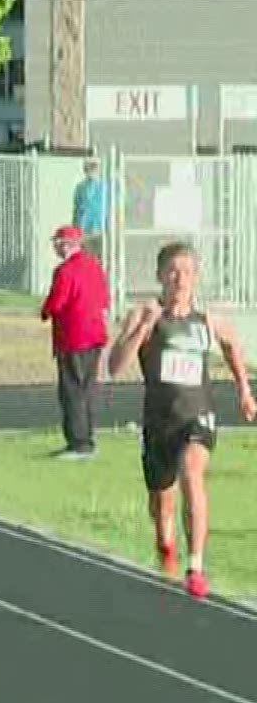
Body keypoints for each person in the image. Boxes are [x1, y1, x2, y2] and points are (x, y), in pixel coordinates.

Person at [104, 241, 256, 599]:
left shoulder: (207, 319)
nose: (180, 279)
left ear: (196, 277)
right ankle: (166, 547)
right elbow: (114, 366)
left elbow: (233, 347)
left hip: (197, 418)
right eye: (173, 271)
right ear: (160, 276)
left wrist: (244, 391)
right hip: (159, 423)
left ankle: (196, 565)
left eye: (187, 272)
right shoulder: (144, 312)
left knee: (193, 475)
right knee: (162, 503)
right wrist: (143, 330)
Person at [40, 224, 110, 459]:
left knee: (72, 390)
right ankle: (88, 437)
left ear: (65, 245)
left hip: (73, 337)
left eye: (58, 244)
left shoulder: (65, 271)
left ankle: (79, 443)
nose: (56, 249)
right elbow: (104, 299)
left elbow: (57, 302)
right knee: (88, 388)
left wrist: (45, 310)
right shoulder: (94, 266)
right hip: (95, 335)